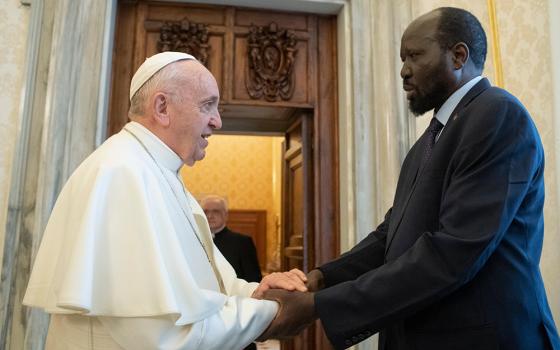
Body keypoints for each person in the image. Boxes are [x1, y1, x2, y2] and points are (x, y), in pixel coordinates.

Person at [259, 7, 560, 350]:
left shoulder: (498, 115)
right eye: (403, 58)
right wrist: (322, 279)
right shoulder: (428, 141)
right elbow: (390, 236)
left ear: (458, 55)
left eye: (415, 56)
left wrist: (318, 306)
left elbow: (453, 252)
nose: (403, 71)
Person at [23, 51, 308, 349]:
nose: (218, 121)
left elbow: (208, 286)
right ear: (162, 107)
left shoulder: (162, 175)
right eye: (208, 105)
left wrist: (257, 292)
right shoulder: (122, 174)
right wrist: (274, 312)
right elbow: (168, 334)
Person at [201, 195, 262, 283]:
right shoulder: (195, 242)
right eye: (205, 212)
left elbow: (253, 279)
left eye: (216, 211)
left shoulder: (243, 243)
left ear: (226, 215)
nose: (210, 216)